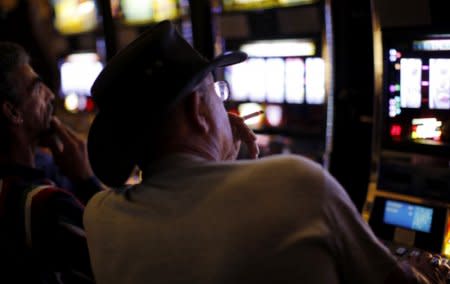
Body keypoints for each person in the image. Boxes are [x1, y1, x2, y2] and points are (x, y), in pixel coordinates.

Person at [84, 20, 449, 284]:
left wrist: (220, 158)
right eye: (218, 92)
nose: (225, 104)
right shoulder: (294, 184)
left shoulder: (100, 217)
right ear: (197, 109)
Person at [0, 42, 102, 283]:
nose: (51, 94)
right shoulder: (47, 206)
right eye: (37, 89)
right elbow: (119, 258)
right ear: (13, 112)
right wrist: (86, 180)